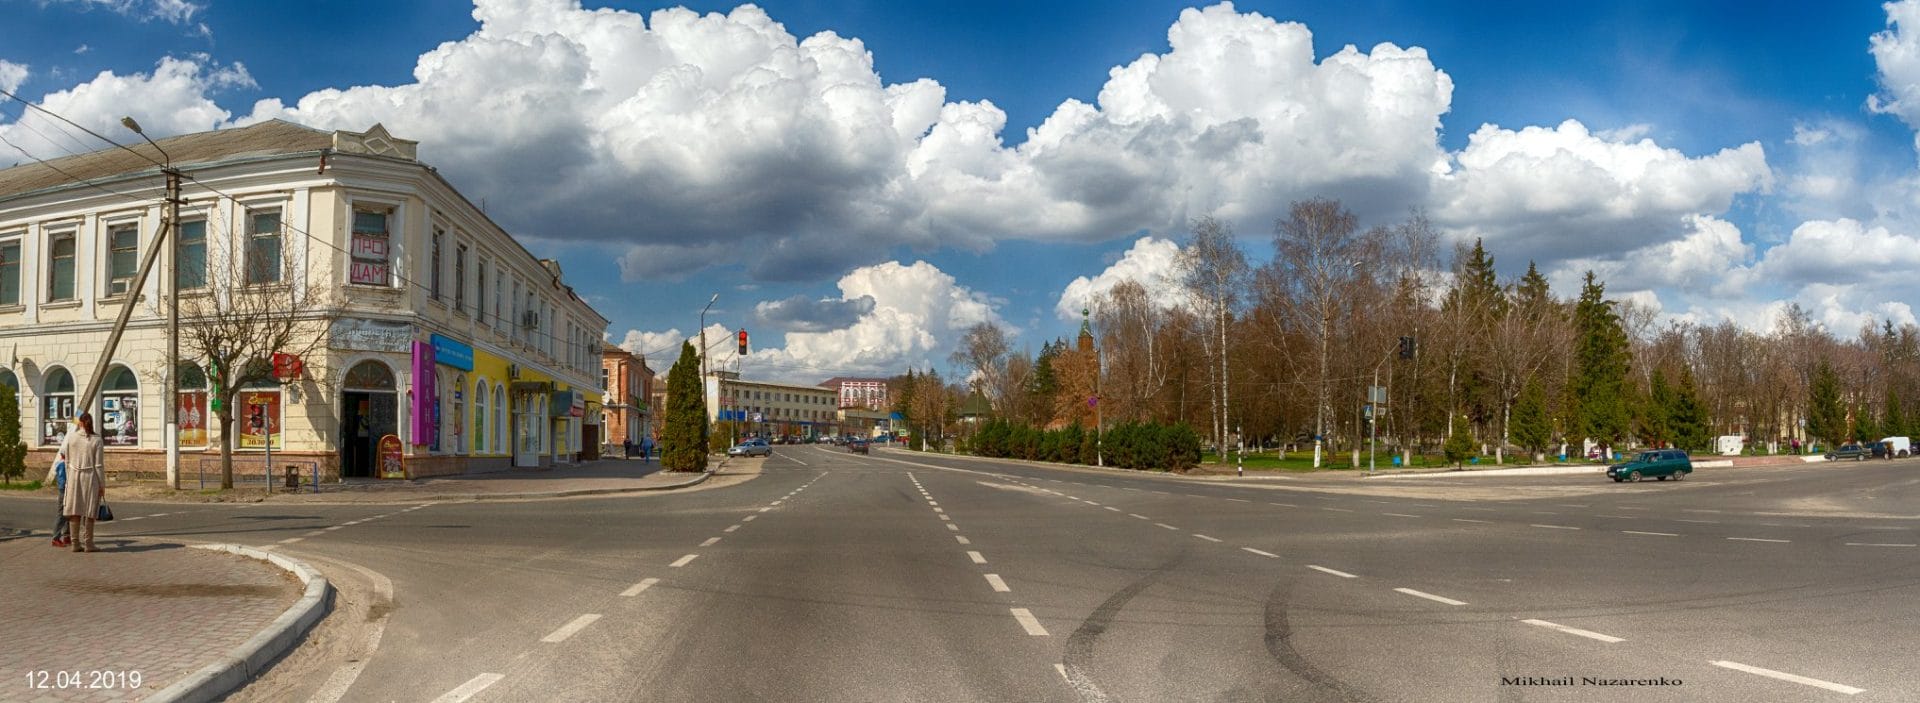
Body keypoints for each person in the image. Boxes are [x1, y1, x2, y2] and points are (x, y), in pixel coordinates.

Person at [60, 413, 105, 553]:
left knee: (75, 509)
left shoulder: (71, 437)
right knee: (89, 510)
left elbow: (66, 460)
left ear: (80, 423)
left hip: (73, 475)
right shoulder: (97, 440)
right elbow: (98, 465)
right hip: (90, 477)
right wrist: (102, 484)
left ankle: (75, 543)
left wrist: (69, 476)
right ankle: (89, 544)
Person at [44, 452, 67, 548]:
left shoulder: (63, 463)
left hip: (66, 490)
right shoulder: (62, 464)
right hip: (64, 490)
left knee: (68, 514)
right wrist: (65, 487)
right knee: (61, 514)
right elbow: (62, 480)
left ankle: (67, 536)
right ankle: (55, 538)